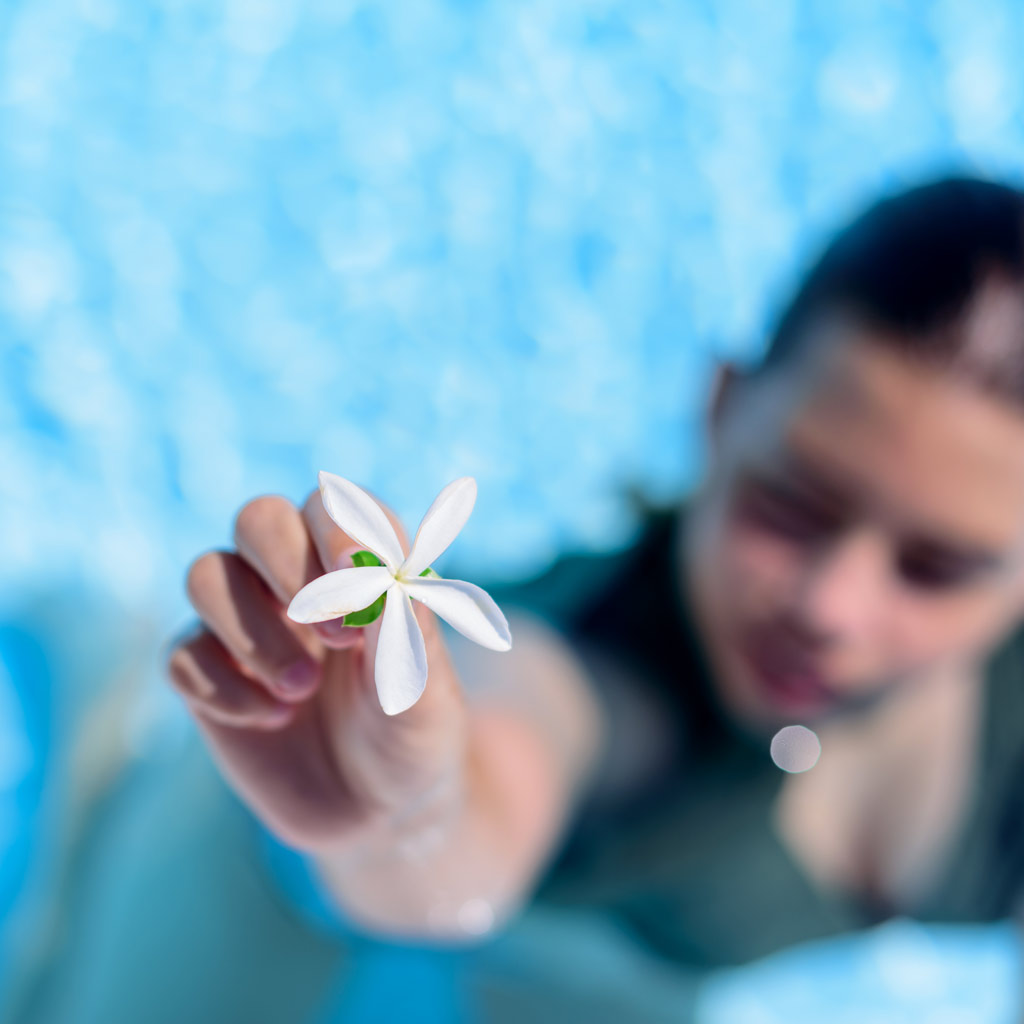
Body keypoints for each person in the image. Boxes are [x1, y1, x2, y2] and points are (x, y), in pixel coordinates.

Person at [165, 174, 1024, 1018]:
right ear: (722, 408)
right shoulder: (605, 659)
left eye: (937, 569)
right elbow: (512, 746)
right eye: (790, 507)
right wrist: (403, 817)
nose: (830, 605)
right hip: (251, 864)